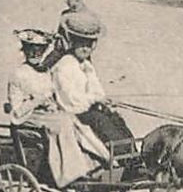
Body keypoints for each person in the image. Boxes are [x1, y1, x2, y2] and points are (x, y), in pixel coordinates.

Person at [4, 28, 104, 186]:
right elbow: (16, 111)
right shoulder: (19, 74)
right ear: (24, 51)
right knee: (62, 123)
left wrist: (51, 104)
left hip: (46, 115)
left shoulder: (45, 72)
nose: (35, 55)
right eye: (31, 51)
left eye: (39, 51)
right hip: (27, 119)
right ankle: (68, 173)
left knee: (75, 121)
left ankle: (91, 164)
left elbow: (52, 95)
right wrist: (38, 100)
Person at [50, 11, 133, 167]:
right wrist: (94, 99)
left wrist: (103, 100)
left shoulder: (86, 66)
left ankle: (132, 157)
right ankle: (122, 160)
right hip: (72, 115)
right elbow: (71, 101)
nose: (86, 48)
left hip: (88, 110)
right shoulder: (64, 66)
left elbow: (97, 88)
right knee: (100, 120)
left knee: (115, 118)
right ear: (73, 42)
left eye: (90, 44)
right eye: (82, 43)